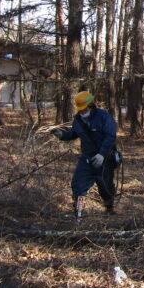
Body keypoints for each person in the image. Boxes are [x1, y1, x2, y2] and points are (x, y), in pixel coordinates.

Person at [52, 89, 118, 218]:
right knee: (79, 185)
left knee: (105, 186)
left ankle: (109, 208)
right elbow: (73, 133)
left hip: (105, 158)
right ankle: (79, 212)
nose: (82, 111)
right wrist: (61, 135)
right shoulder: (78, 121)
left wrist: (102, 154)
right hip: (87, 158)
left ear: (90, 106)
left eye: (85, 108)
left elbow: (110, 136)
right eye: (80, 109)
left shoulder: (104, 117)